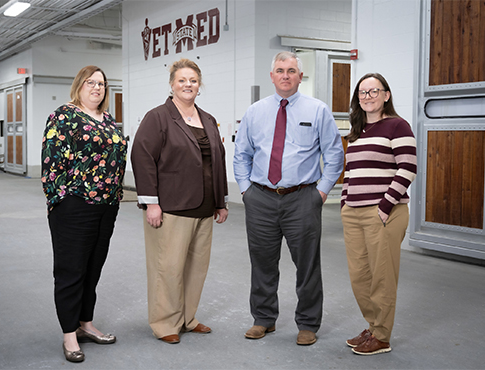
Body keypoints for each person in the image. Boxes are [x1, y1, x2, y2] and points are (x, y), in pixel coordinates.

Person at [233, 51, 344, 346]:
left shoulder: (318, 110)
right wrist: (246, 191)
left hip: (302, 198)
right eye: (280, 70)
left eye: (291, 70)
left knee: (307, 264)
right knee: (262, 262)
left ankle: (308, 323)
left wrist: (320, 193)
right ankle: (263, 319)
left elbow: (334, 155)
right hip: (261, 198)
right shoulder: (255, 111)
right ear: (272, 76)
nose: (285, 75)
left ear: (300, 76)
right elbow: (241, 154)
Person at [131, 58, 229, 344]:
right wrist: (151, 202)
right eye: (182, 80)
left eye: (193, 81)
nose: (188, 85)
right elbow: (142, 157)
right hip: (171, 208)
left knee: (196, 268)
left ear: (200, 85)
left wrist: (221, 201)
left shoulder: (207, 119)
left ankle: (187, 317)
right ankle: (164, 323)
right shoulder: (158, 117)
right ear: (172, 84)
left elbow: (218, 161)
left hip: (203, 208)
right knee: (168, 268)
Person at [41, 65, 127, 362]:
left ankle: (85, 323)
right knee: (71, 269)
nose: (96, 88)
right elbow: (52, 164)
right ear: (79, 85)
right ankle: (69, 334)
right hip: (74, 206)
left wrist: (114, 197)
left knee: (93, 268)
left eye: (101, 83)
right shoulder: (64, 116)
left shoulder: (108, 121)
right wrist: (61, 200)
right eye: (90, 82)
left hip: (107, 206)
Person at [340, 73, 417, 355]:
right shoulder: (357, 131)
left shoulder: (397, 125)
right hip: (354, 213)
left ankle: (382, 336)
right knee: (360, 276)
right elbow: (351, 172)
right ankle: (372, 326)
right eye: (362, 93)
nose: (367, 97)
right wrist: (345, 202)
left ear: (386, 95)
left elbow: (407, 168)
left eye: (373, 91)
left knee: (382, 276)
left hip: (385, 212)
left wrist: (385, 206)